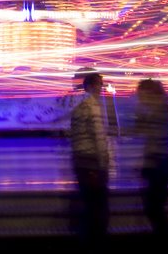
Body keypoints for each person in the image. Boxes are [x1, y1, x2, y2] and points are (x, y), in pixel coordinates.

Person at [135, 78, 168, 246]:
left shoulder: (161, 110)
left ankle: (167, 243)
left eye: (142, 94)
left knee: (154, 207)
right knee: (154, 206)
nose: (140, 98)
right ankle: (166, 242)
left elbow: (154, 136)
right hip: (160, 163)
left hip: (159, 164)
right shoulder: (161, 108)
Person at [69, 70, 109, 246]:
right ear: (92, 86)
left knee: (88, 204)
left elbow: (74, 134)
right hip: (92, 162)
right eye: (100, 84)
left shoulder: (78, 105)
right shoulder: (93, 106)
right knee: (98, 207)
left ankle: (86, 240)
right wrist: (103, 163)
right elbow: (99, 137)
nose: (102, 88)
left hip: (80, 160)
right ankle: (96, 243)